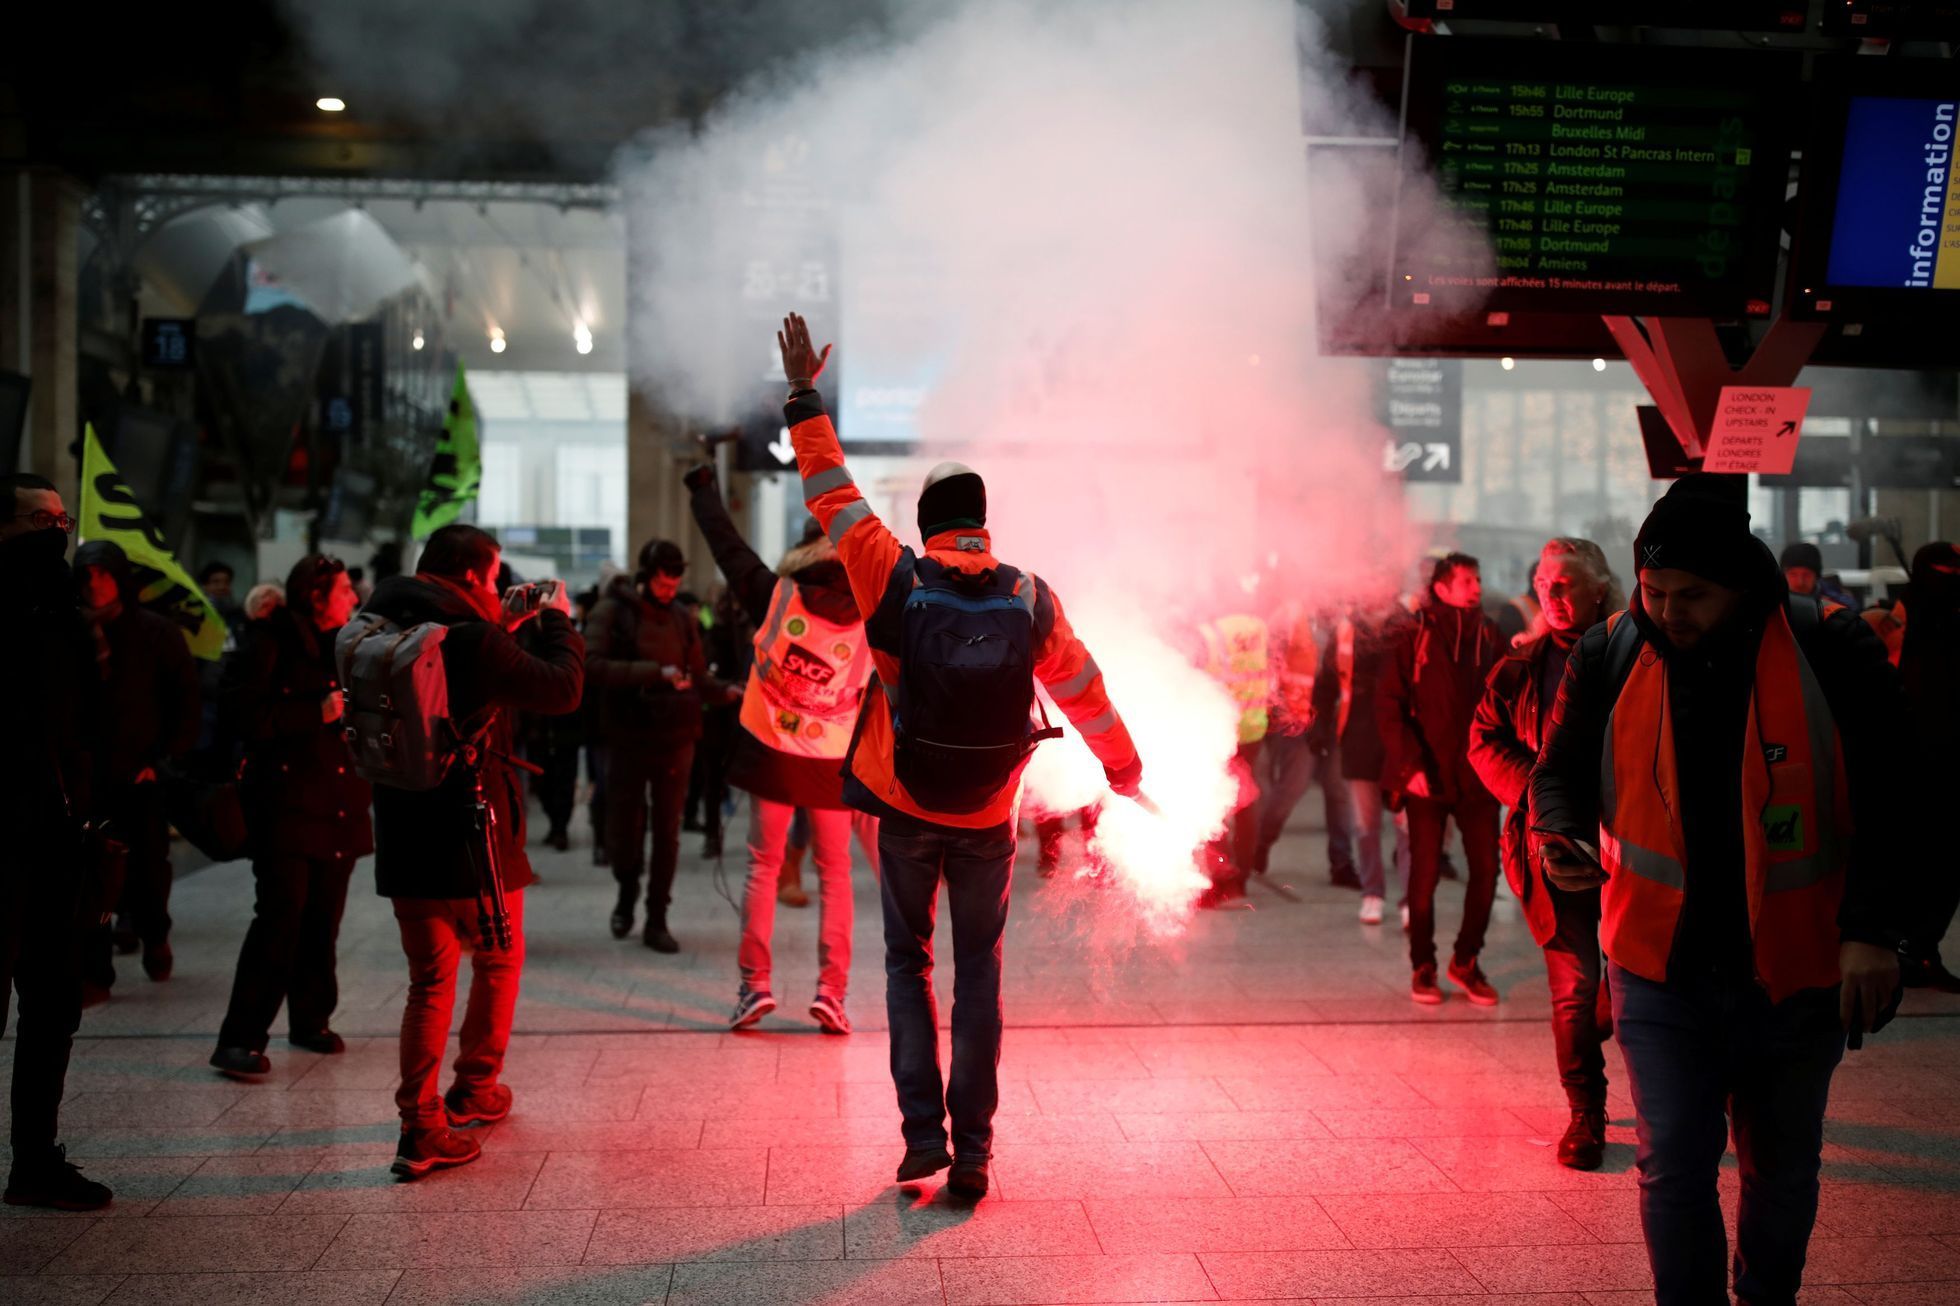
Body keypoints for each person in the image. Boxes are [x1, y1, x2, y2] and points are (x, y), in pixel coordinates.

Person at [778, 312, 1141, 1201]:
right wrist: (1124, 772)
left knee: (911, 966)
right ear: (980, 522)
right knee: (981, 972)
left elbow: (828, 487)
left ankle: (921, 1142)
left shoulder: (887, 570)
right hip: (986, 813)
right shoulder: (1029, 594)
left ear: (927, 522)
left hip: (906, 806)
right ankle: (975, 1152)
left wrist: (801, 393)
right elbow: (1086, 689)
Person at [1530, 474, 1906, 1306]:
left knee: (1780, 1171)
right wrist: (1558, 831)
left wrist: (1875, 931)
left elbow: (1901, 797)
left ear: (1740, 583)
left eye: (1691, 595)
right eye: (1653, 590)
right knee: (1672, 1169)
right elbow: (1556, 771)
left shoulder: (1831, 649)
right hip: (1657, 967)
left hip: (1796, 969)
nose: (1667, 611)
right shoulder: (1610, 650)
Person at [362, 524, 584, 1178]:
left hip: (401, 826)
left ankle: (419, 1124)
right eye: (489, 580)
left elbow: (450, 687)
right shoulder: (473, 640)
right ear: (466, 577)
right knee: (498, 956)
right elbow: (563, 689)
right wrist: (558, 622)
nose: (495, 589)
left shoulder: (379, 621)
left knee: (429, 979)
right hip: (471, 833)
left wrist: (503, 621)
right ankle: (475, 1088)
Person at [686, 461, 871, 1034]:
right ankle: (831, 994)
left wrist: (703, 491)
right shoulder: (875, 612)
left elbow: (727, 547)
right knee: (836, 873)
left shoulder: (776, 595)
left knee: (762, 869)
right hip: (834, 763)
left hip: (772, 754)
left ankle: (754, 988)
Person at [1469, 538, 1618, 1169]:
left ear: (1599, 588)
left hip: (1635, 846)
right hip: (1551, 849)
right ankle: (1586, 1112)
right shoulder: (1518, 668)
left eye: (1565, 584)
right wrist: (1540, 792)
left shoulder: (1635, 657)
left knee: (1634, 982)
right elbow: (1483, 741)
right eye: (1542, 584)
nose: (1551, 596)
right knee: (1574, 986)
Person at [210, 555, 371, 1077]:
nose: (353, 598)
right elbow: (241, 715)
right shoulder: (269, 639)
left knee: (323, 919)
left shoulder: (344, 645)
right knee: (280, 917)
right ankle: (240, 1038)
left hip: (337, 801)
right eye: (345, 589)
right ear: (317, 596)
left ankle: (310, 1019)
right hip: (284, 803)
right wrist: (314, 713)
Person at [0, 474, 111, 1210]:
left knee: (51, 1005)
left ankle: (35, 1158)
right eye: (43, 521)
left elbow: (87, 720)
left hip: (53, 835)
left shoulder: (65, 616)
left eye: (62, 519)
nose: (59, 532)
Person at [586, 539, 738, 951]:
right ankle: (627, 890)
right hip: (627, 736)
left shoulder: (681, 617)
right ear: (645, 577)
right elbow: (591, 665)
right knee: (626, 826)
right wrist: (654, 672)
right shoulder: (611, 612)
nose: (670, 591)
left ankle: (657, 917)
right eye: (664, 583)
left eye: (675, 584)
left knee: (668, 833)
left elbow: (697, 674)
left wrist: (730, 692)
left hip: (676, 735)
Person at [73, 540, 201, 991]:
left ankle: (154, 935)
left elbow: (185, 701)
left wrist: (162, 760)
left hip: (142, 774)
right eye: (87, 575)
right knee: (89, 872)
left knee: (148, 867)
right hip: (87, 776)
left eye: (103, 574)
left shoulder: (155, 633)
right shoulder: (70, 634)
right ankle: (95, 964)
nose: (94, 584)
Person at [1378, 552, 1502, 1004]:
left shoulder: (1490, 634)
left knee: (1487, 871)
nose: (1476, 587)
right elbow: (1388, 707)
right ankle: (1423, 966)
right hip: (1425, 777)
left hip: (1479, 776)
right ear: (1442, 588)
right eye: (1467, 580)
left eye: (1478, 578)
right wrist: (1409, 767)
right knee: (1424, 875)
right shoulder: (1414, 635)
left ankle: (1466, 961)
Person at [1309, 603, 1413, 926]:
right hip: (1357, 738)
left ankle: (1412, 899)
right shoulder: (1346, 629)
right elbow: (1326, 685)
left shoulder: (1410, 626)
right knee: (1365, 824)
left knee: (1406, 825)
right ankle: (1372, 893)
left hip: (1401, 741)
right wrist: (1320, 727)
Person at [1898, 541, 1960, 992]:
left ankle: (1921, 948)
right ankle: (1907, 948)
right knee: (1916, 862)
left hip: (1947, 761)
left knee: (1943, 867)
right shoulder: (1896, 617)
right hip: (1908, 760)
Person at [1195, 607, 1271, 905]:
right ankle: (1241, 879)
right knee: (1245, 803)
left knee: (1214, 802)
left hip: (1219, 729)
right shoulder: (1258, 627)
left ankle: (1220, 878)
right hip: (1252, 726)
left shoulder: (1209, 634)